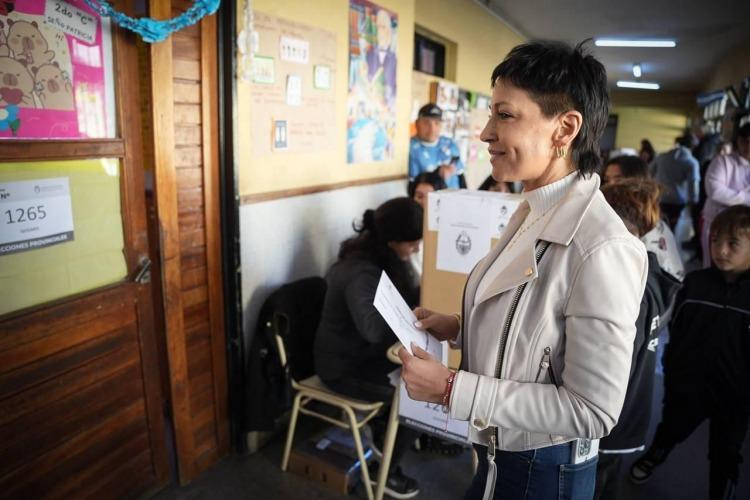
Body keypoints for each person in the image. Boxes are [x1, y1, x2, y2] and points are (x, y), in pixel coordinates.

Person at [397, 40, 648, 500]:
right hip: (499, 451)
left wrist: (453, 388)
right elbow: (535, 326)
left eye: (505, 115)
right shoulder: (533, 208)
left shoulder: (603, 247)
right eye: (491, 114)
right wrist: (459, 326)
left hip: (543, 471)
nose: (485, 133)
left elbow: (592, 409)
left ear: (564, 128)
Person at [630, 205, 750, 500]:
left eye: (733, 243)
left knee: (726, 452)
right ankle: (654, 456)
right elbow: (675, 330)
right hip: (688, 384)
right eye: (715, 240)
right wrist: (673, 372)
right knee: (671, 428)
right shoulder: (695, 284)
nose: (721, 250)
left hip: (735, 394)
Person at [314, 197, 422, 499]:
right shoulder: (360, 273)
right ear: (392, 241)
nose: (416, 249)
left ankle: (384, 432)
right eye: (412, 244)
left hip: (365, 357)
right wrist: (410, 315)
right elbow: (373, 330)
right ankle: (384, 471)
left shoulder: (383, 259)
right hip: (342, 368)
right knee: (418, 395)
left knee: (422, 382)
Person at [594, 179, 681, 500]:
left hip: (607, 419)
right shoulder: (649, 271)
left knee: (593, 486)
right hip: (626, 416)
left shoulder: (627, 286)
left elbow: (608, 358)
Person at [602, 155, 685, 280]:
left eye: (618, 179)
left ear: (638, 182)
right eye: (607, 180)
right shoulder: (620, 215)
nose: (611, 185)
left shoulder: (645, 225)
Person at [700, 123, 750, 267]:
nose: (748, 145)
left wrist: (736, 197)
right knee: (715, 263)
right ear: (738, 141)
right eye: (745, 140)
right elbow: (715, 191)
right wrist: (746, 198)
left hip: (745, 229)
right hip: (716, 222)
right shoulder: (723, 161)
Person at [409, 103, 465, 189]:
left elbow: (461, 175)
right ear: (417, 124)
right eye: (426, 122)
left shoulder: (449, 143)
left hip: (454, 194)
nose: (432, 128)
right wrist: (437, 173)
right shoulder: (410, 147)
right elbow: (412, 185)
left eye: (437, 123)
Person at [651, 135, 700, 230]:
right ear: (693, 146)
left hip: (660, 197)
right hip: (678, 201)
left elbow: (649, 171)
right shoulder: (691, 162)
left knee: (658, 225)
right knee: (672, 228)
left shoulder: (662, 156)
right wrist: (693, 202)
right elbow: (693, 183)